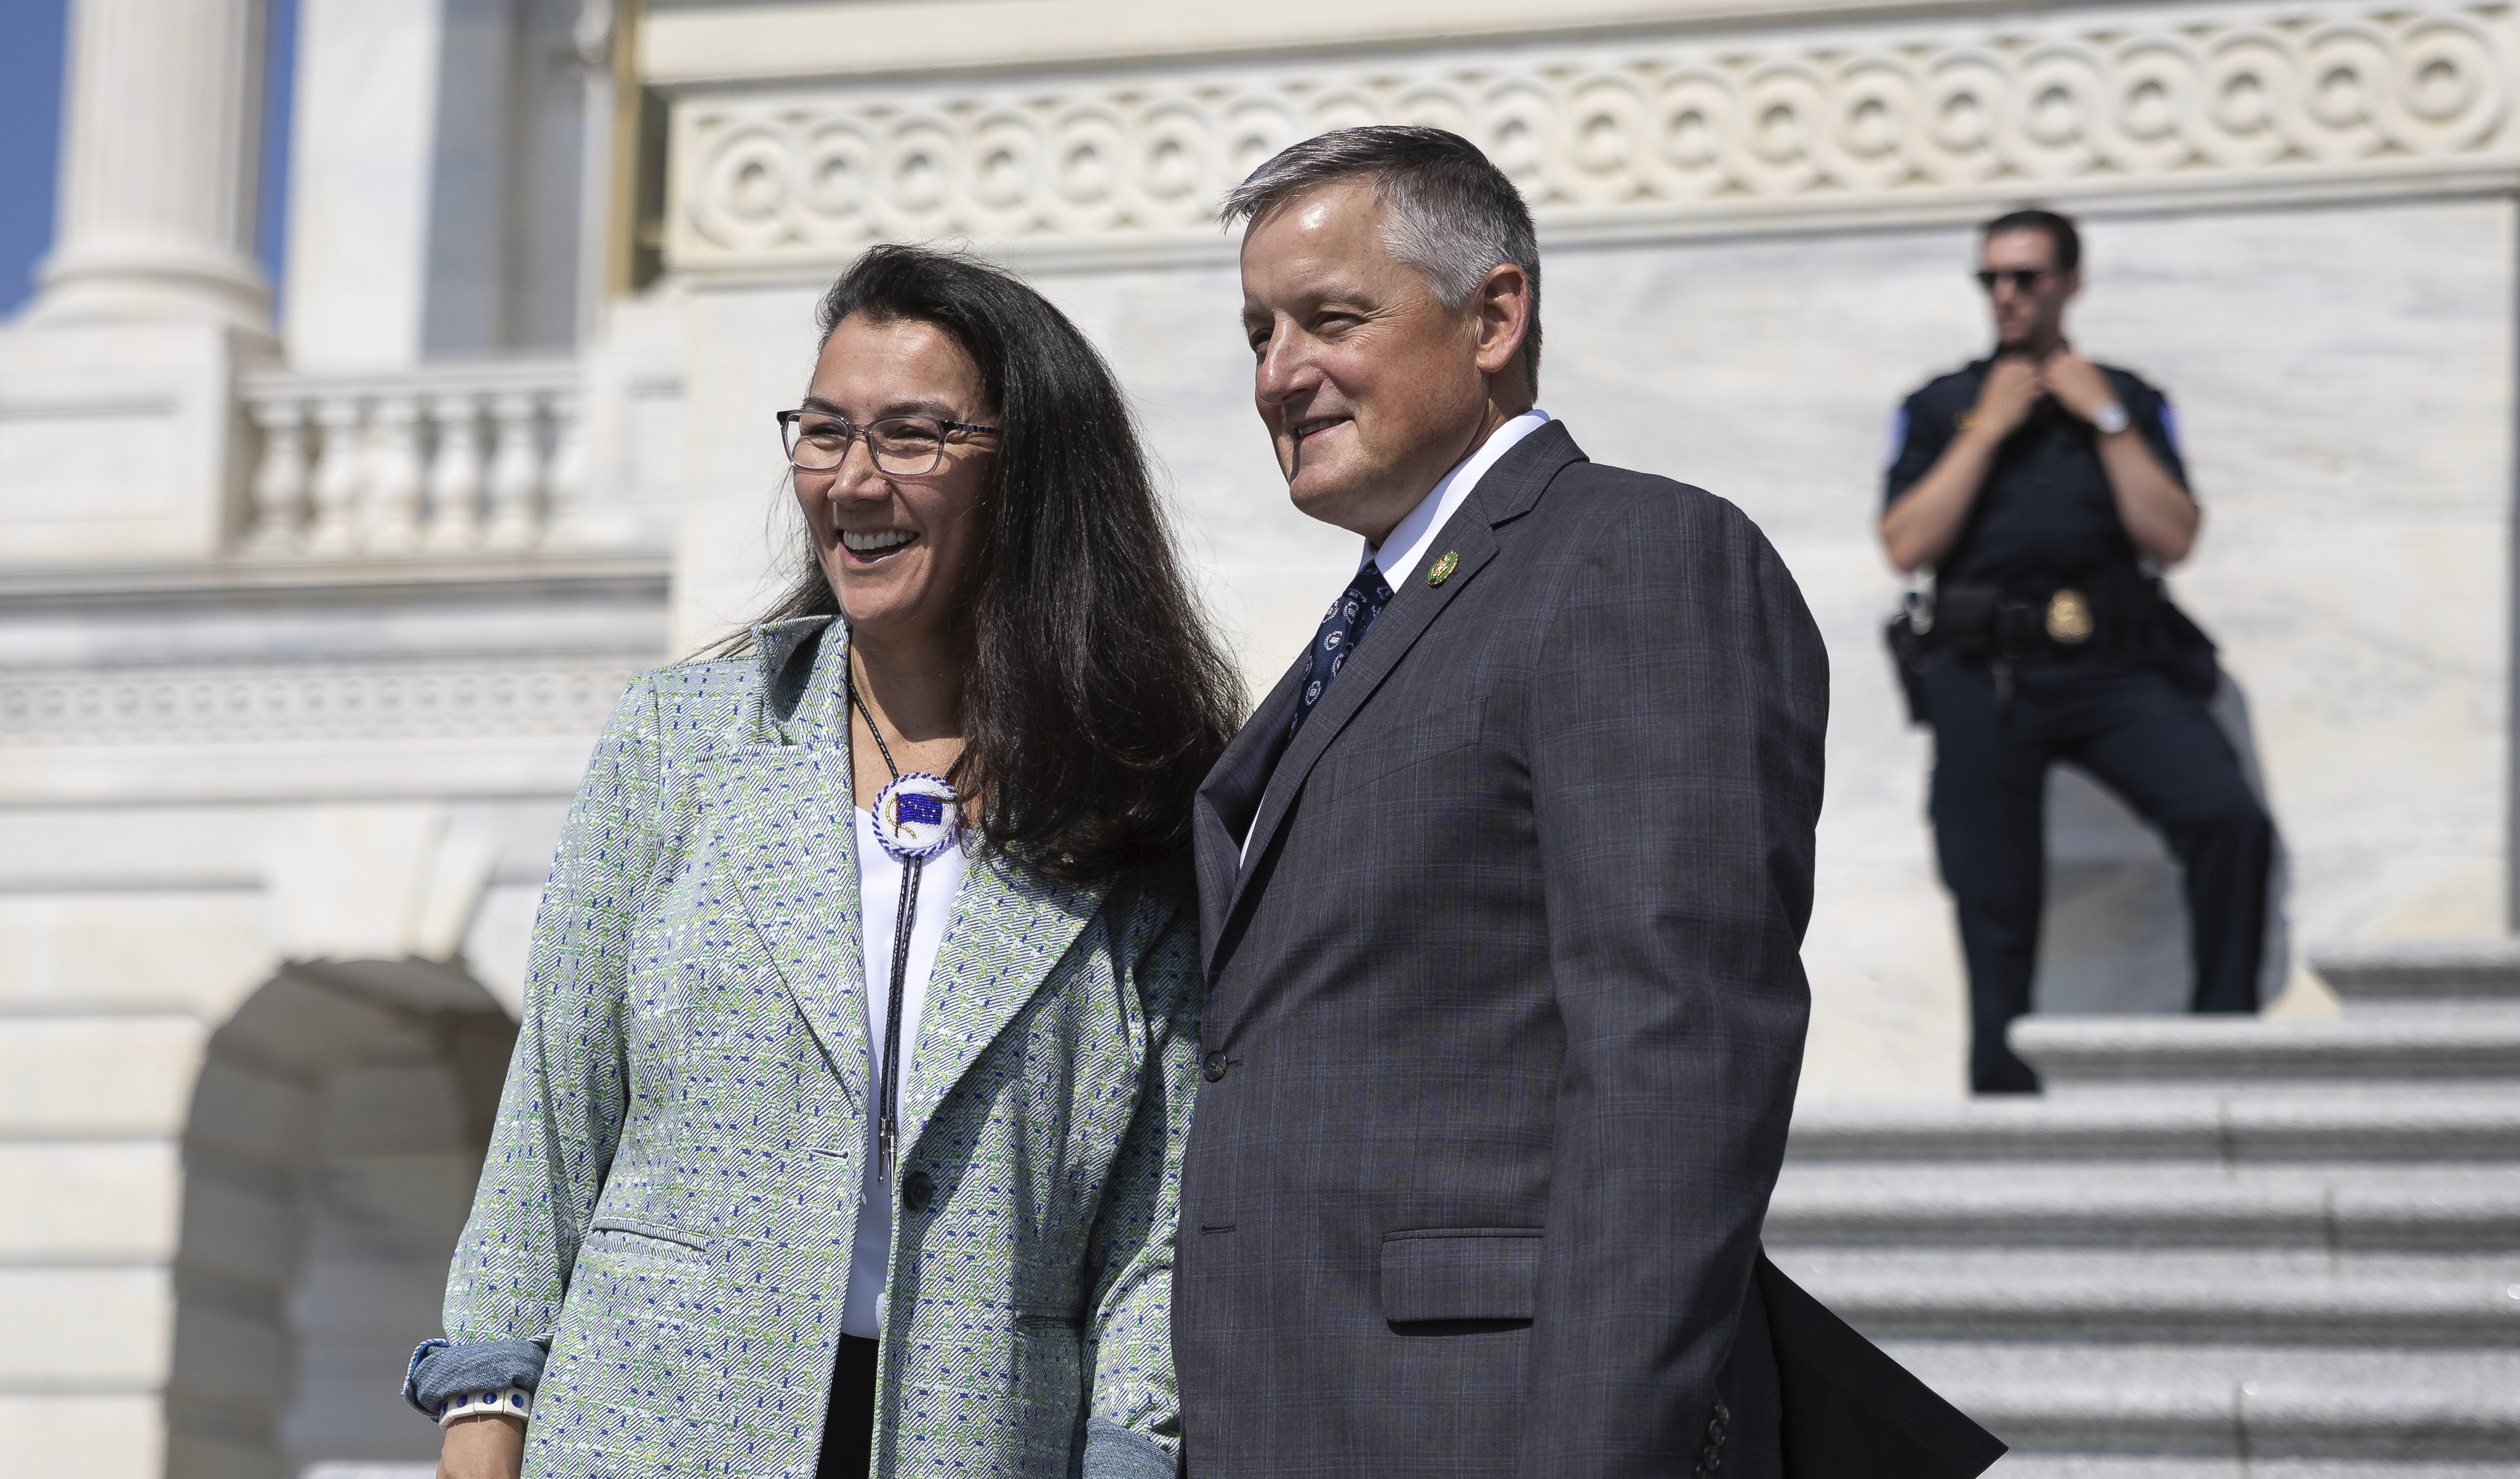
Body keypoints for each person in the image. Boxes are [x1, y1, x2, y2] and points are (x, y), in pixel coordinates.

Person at [1174, 125, 2003, 1479]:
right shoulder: (1378, 616)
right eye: (1258, 331)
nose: (1278, 373)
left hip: (1485, 1422)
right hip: (1292, 1406)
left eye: (1329, 319)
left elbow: (1676, 1051)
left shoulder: (1630, 556)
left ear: (1493, 315)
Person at [404, 245, 1239, 1479]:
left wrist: (1130, 1449)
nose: (852, 479)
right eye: (823, 431)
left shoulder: (1138, 801)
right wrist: (485, 1413)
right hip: (646, 1423)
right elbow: (550, 1114)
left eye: (911, 436)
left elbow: (1153, 1218)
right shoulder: (677, 740)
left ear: (1026, 471)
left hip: (980, 1435)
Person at [1881, 208, 2276, 1094]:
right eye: (1993, 279)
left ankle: (2227, 1045)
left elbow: (2172, 538)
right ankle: (2003, 1090)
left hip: (2115, 665)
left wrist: (2103, 416)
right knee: (1991, 884)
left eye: (2028, 277)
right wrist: (1987, 429)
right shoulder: (1940, 405)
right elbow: (1905, 543)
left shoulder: (2128, 397)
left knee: (2229, 819)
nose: (2008, 296)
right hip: (1987, 671)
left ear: (2069, 282)